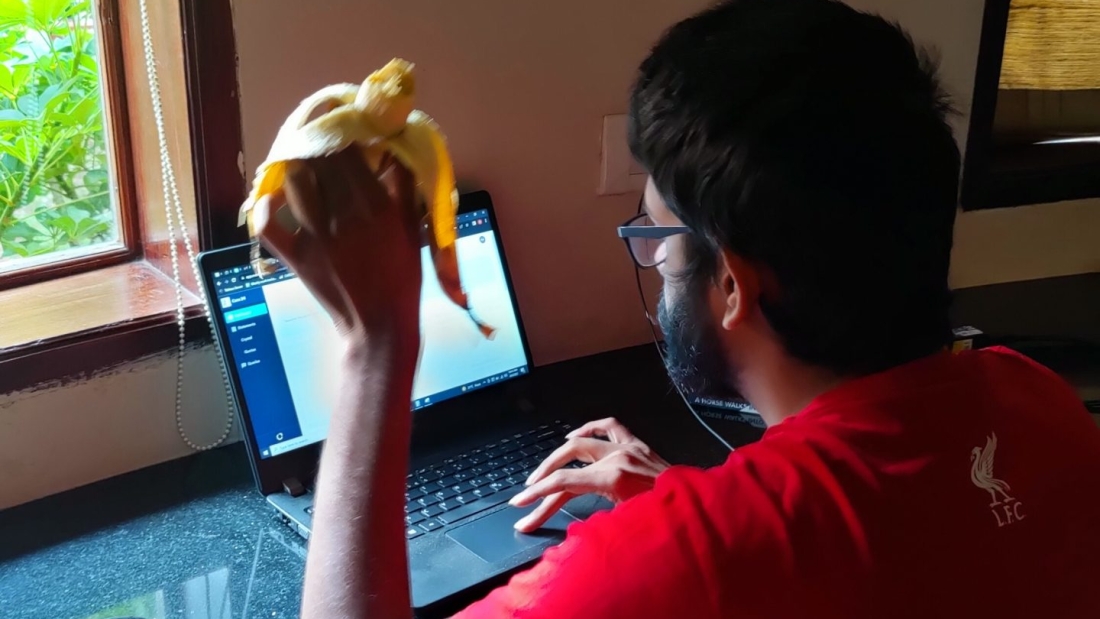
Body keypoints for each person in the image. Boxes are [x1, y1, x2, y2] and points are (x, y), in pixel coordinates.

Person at [251, 0, 1100, 617]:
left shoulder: (663, 570)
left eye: (654, 235)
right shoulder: (1039, 401)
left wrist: (374, 349)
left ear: (732, 284)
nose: (652, 260)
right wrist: (698, 500)